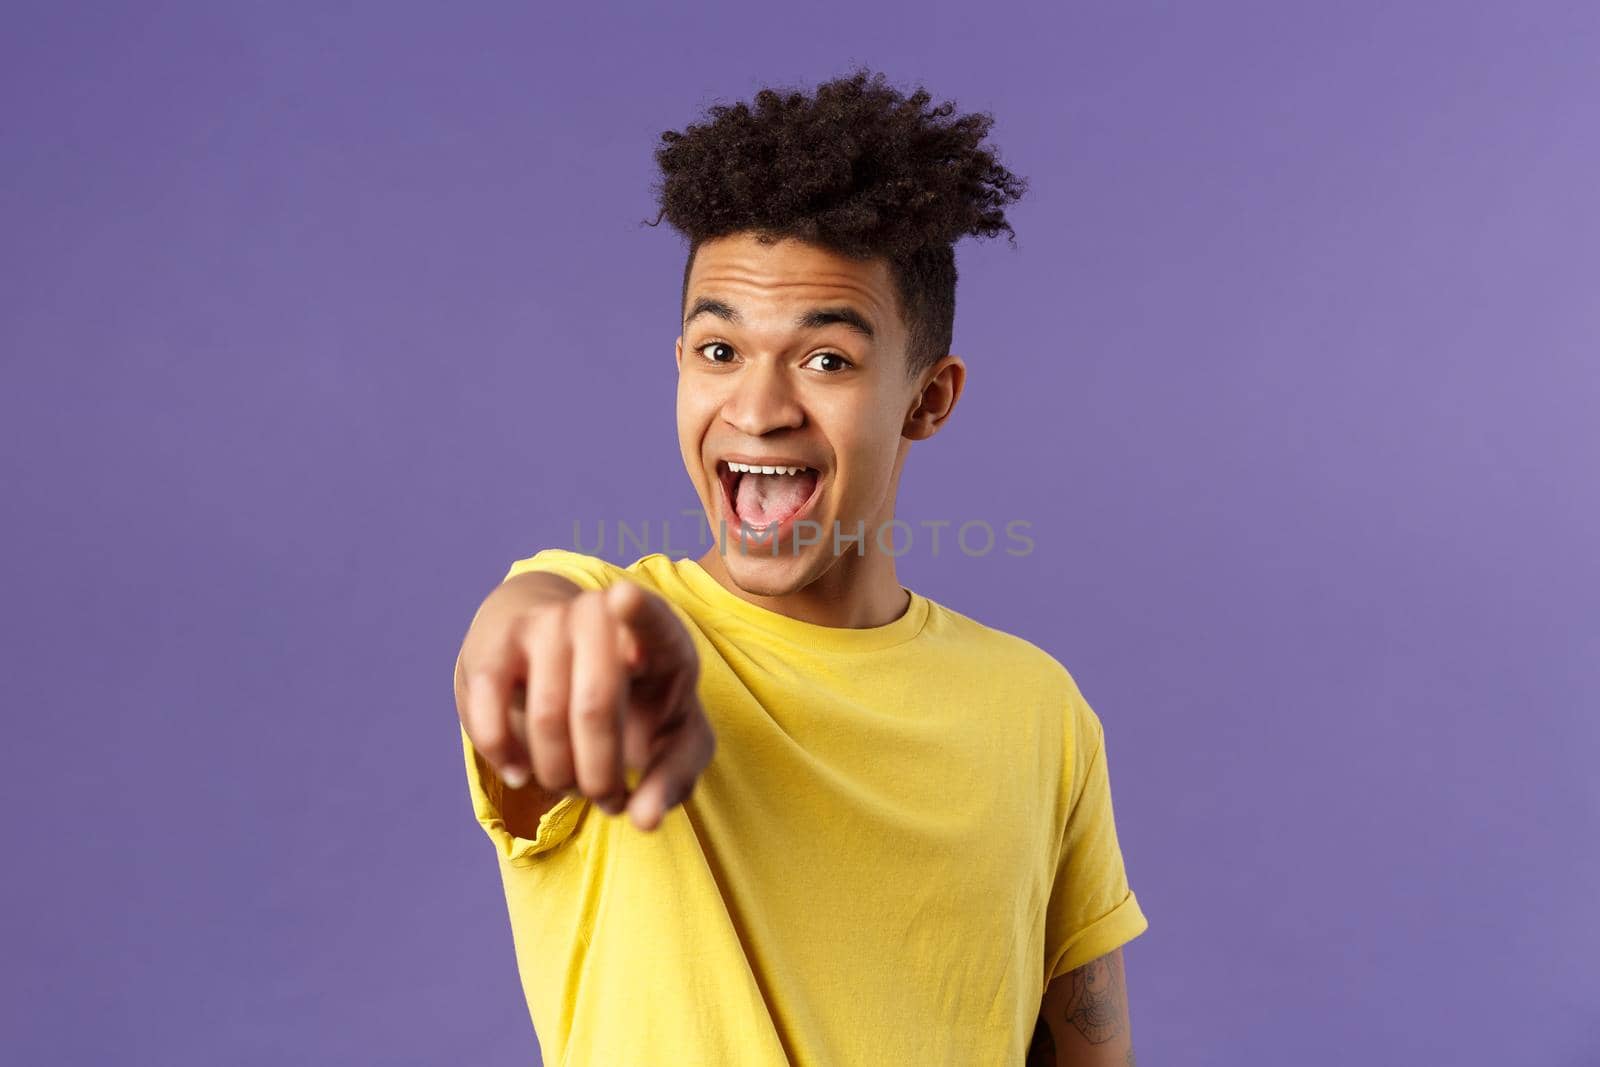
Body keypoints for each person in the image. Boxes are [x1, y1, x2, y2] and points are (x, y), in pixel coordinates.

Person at [453, 66, 1150, 1066]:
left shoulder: (1040, 709)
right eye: (717, 349)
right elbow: (522, 638)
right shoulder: (608, 622)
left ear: (928, 398)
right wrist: (545, 641)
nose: (758, 406)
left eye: (826, 358)